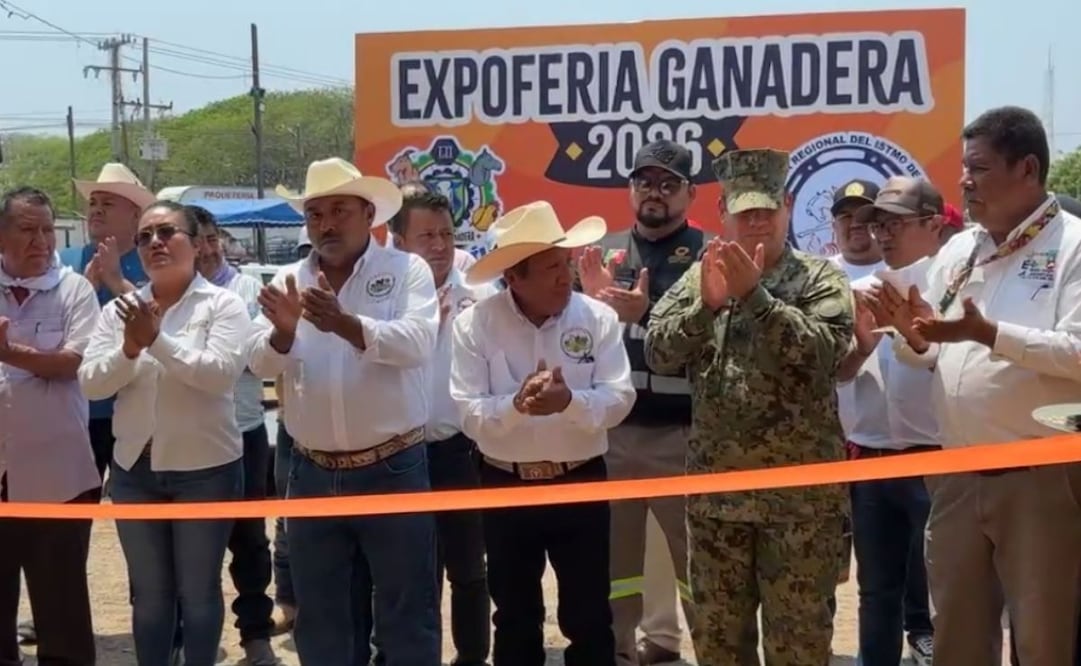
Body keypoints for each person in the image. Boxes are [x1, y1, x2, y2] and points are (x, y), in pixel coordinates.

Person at [871, 105, 1081, 666]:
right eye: (963, 168)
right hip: (957, 475)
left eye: (979, 168)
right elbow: (936, 352)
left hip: (1041, 478)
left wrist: (988, 333)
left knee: (1043, 642)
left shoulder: (1073, 247)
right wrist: (912, 336)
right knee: (958, 641)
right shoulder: (960, 251)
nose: (963, 181)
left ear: (1028, 169)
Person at [644, 148, 854, 665]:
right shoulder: (701, 276)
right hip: (719, 503)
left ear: (786, 206)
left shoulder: (820, 278)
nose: (756, 221)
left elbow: (826, 355)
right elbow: (659, 352)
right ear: (723, 214)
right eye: (745, 212)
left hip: (801, 506)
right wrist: (708, 306)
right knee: (720, 648)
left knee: (799, 647)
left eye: (766, 209)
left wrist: (756, 299)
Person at [247, 157, 441, 666]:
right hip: (313, 471)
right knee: (323, 622)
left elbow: (419, 342)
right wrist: (284, 332)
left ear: (369, 213)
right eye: (315, 214)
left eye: (338, 210)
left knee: (406, 617)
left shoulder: (406, 269)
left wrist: (345, 324)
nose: (326, 224)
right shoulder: (288, 278)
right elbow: (255, 360)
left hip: (393, 468)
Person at [449, 200, 636, 666]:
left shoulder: (597, 318)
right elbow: (469, 414)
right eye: (552, 266)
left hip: (580, 482)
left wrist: (569, 402)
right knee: (513, 615)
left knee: (591, 614)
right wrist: (516, 406)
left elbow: (620, 398)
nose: (564, 276)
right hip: (503, 484)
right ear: (514, 276)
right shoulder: (475, 325)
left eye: (565, 263)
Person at [77, 200, 250, 666]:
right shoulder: (120, 313)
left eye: (167, 232)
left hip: (205, 469)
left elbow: (219, 375)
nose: (155, 242)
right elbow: (92, 381)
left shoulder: (225, 305)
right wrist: (130, 349)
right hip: (135, 469)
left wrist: (155, 341)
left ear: (195, 245)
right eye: (145, 236)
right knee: (149, 596)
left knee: (197, 592)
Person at [576, 139, 706, 666]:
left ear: (690, 194)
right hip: (616, 437)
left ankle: (713, 650)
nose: (655, 193)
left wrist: (645, 313)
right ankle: (619, 652)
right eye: (645, 182)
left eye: (669, 184)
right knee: (615, 566)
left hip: (685, 436)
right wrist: (595, 307)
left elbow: (713, 336)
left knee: (696, 567)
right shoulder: (601, 252)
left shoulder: (708, 254)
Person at [839, 177, 949, 666]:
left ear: (933, 224)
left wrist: (919, 336)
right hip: (871, 459)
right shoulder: (859, 292)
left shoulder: (955, 289)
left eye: (895, 224)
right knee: (876, 589)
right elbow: (837, 374)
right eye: (877, 224)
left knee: (947, 589)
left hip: (937, 458)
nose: (883, 234)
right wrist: (859, 346)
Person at [390, 189, 496, 665]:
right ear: (398, 240)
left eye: (447, 234)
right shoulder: (384, 290)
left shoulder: (476, 286)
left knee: (469, 568)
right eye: (426, 235)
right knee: (413, 572)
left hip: (460, 449)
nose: (439, 245)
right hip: (398, 453)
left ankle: (472, 657)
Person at [0, 187, 102, 666]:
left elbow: (72, 364)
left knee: (61, 613)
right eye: (27, 229)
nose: (41, 241)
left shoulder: (75, 290)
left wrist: (10, 354)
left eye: (47, 229)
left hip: (58, 479)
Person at [190, 205, 280, 665]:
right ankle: (186, 637)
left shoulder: (248, 288)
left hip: (244, 429)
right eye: (197, 240)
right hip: (191, 437)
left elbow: (252, 357)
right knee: (189, 548)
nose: (206, 250)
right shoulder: (174, 294)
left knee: (249, 541)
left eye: (212, 239)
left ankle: (256, 633)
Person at [268, 227, 312, 636]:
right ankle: (288, 602)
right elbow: (265, 363)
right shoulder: (285, 292)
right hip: (291, 427)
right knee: (286, 519)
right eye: (306, 250)